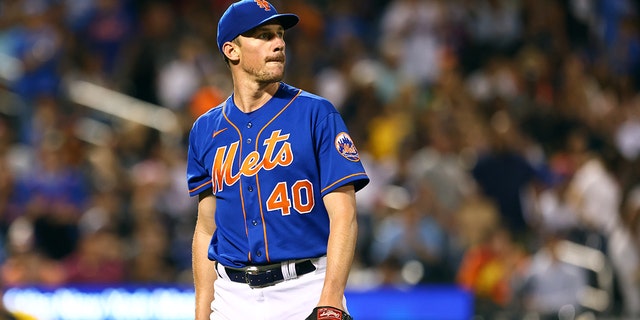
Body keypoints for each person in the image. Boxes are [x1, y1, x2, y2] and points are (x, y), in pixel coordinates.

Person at [186, 1, 370, 319]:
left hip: (306, 288)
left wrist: (329, 299)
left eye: (280, 34)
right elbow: (206, 228)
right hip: (232, 298)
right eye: (263, 35)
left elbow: (345, 216)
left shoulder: (316, 113)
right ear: (232, 50)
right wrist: (202, 313)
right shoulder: (205, 129)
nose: (279, 43)